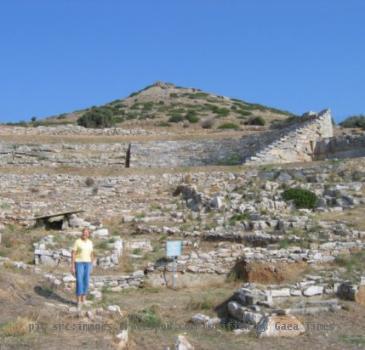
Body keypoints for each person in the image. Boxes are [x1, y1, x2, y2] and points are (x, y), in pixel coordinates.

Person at [71, 228, 95, 309]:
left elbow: (92, 254)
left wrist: (92, 265)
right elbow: (73, 253)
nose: (85, 234)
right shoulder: (77, 241)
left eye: (86, 233)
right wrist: (72, 266)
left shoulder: (90, 242)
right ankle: (78, 302)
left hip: (88, 264)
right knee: (79, 281)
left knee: (86, 281)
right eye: (83, 233)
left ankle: (84, 300)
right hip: (79, 263)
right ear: (82, 233)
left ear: (89, 234)